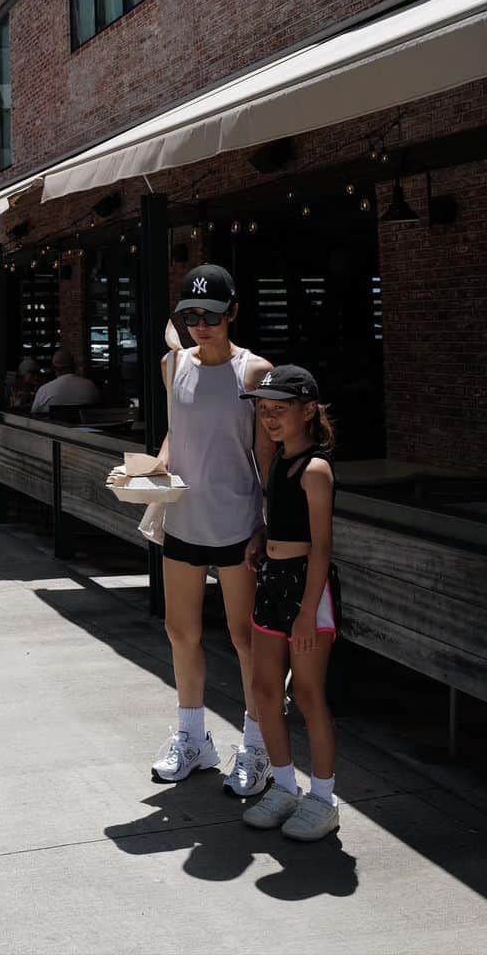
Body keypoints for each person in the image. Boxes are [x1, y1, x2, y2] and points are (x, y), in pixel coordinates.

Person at [150, 264, 277, 796]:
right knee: (181, 632)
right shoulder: (171, 365)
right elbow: (176, 435)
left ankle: (257, 745)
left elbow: (267, 456)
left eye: (213, 314)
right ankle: (192, 736)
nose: (202, 324)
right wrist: (147, 470)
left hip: (236, 522)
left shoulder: (254, 372)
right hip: (183, 517)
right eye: (191, 315)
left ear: (234, 313)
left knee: (245, 639)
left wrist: (266, 528)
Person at [239, 365, 341, 840]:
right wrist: (262, 537)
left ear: (308, 410)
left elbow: (321, 546)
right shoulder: (279, 459)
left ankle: (323, 798)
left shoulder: (316, 469)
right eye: (263, 411)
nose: (270, 419)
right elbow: (277, 516)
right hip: (271, 579)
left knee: (306, 694)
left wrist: (306, 611)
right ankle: (282, 785)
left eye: (280, 410)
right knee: (263, 691)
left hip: (306, 588)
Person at [30, 349, 100, 415]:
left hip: (53, 427)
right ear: (74, 366)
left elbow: (34, 415)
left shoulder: (44, 390)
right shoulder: (91, 386)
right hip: (86, 428)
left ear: (54, 368)